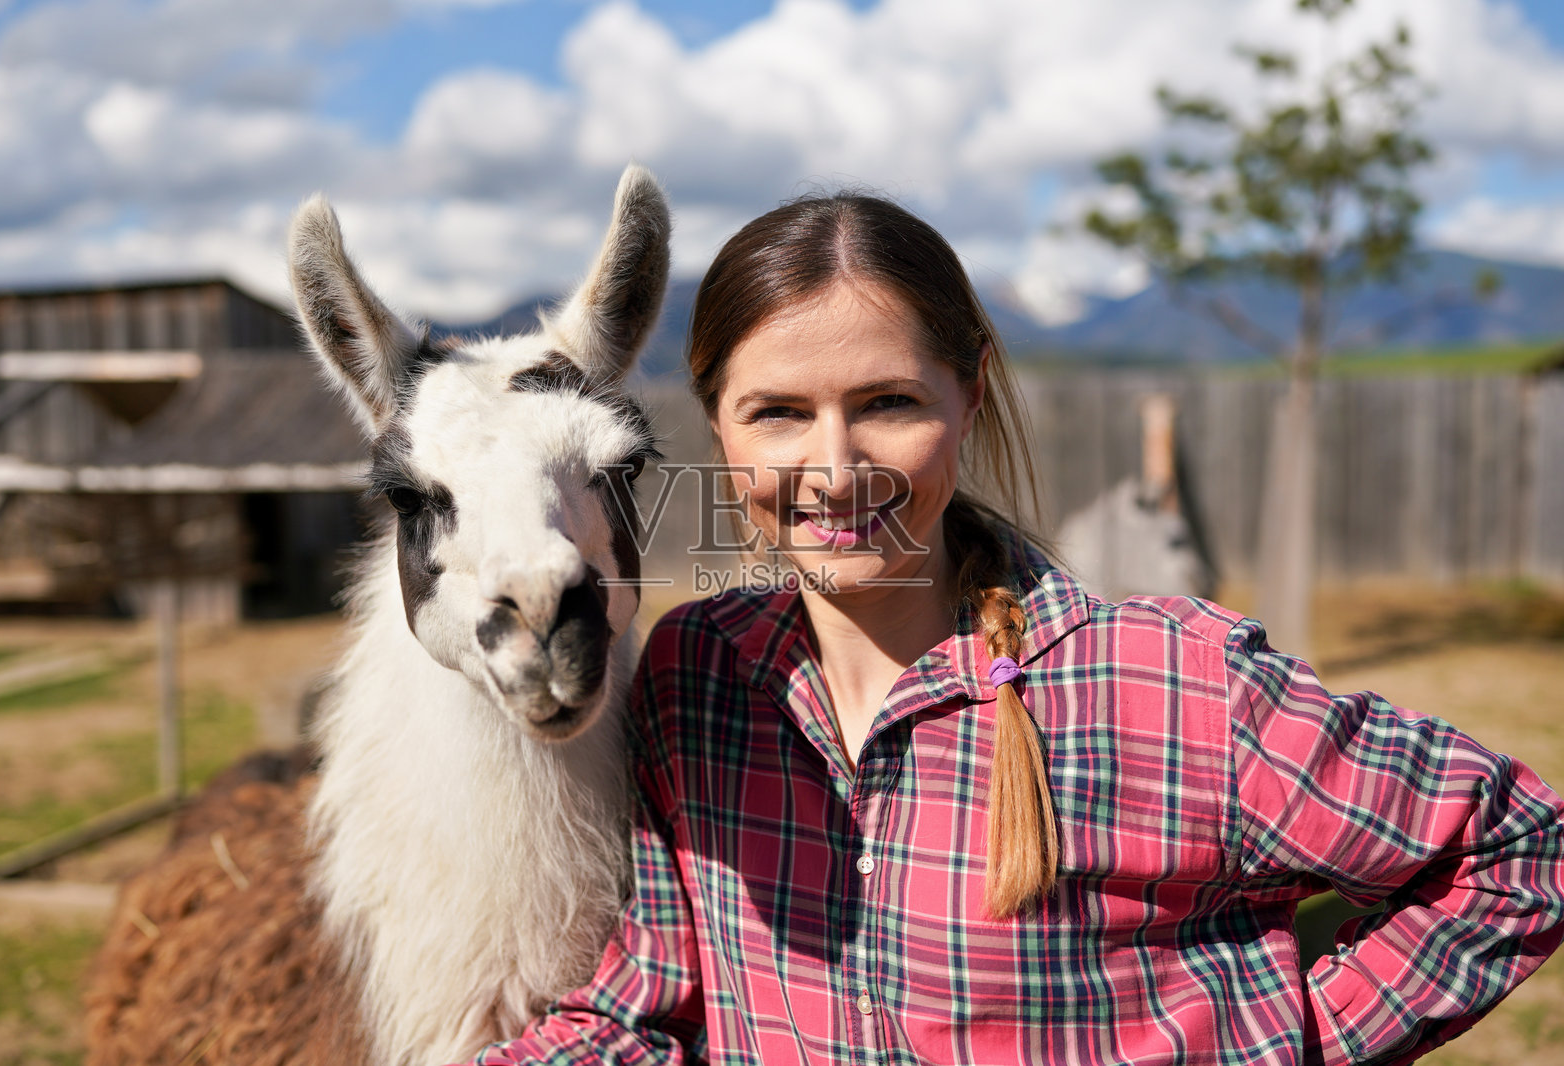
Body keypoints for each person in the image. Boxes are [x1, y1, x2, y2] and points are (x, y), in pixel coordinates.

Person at [469, 193, 1564, 1065]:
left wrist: (1293, 1038)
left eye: (889, 403)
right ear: (717, 423)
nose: (835, 467)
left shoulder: (1170, 685)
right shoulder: (695, 679)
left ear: (970, 398)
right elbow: (644, 1007)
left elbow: (1521, 848)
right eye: (780, 412)